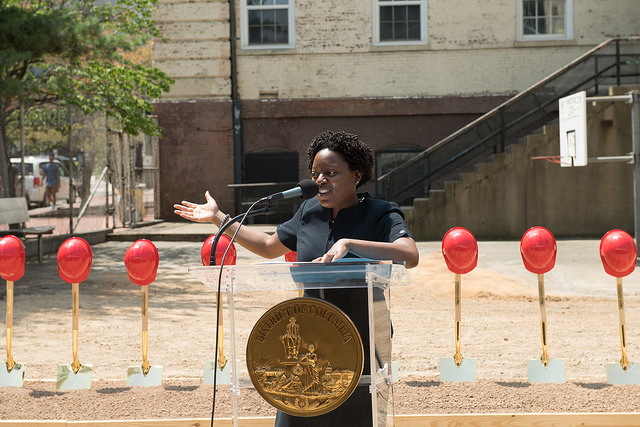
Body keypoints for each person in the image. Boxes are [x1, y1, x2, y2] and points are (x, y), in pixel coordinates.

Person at [174, 130, 419, 426]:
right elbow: (267, 246)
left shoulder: (380, 213)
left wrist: (350, 244)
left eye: (330, 173)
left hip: (360, 337)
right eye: (316, 173)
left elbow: (409, 254)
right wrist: (220, 220)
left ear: (356, 175)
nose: (320, 180)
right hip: (310, 334)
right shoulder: (308, 212)